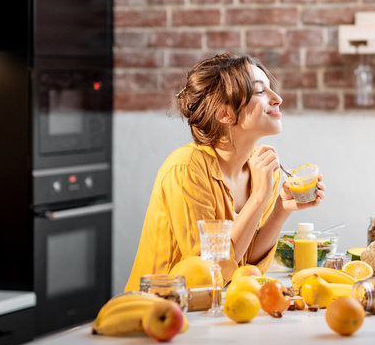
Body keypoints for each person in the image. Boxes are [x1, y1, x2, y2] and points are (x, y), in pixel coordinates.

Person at [124, 53, 325, 291]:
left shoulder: (261, 169)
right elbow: (211, 272)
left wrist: (281, 209)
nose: (277, 99)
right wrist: (259, 196)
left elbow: (246, 268)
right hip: (161, 310)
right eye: (261, 92)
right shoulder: (186, 169)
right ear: (225, 113)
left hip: (221, 311)